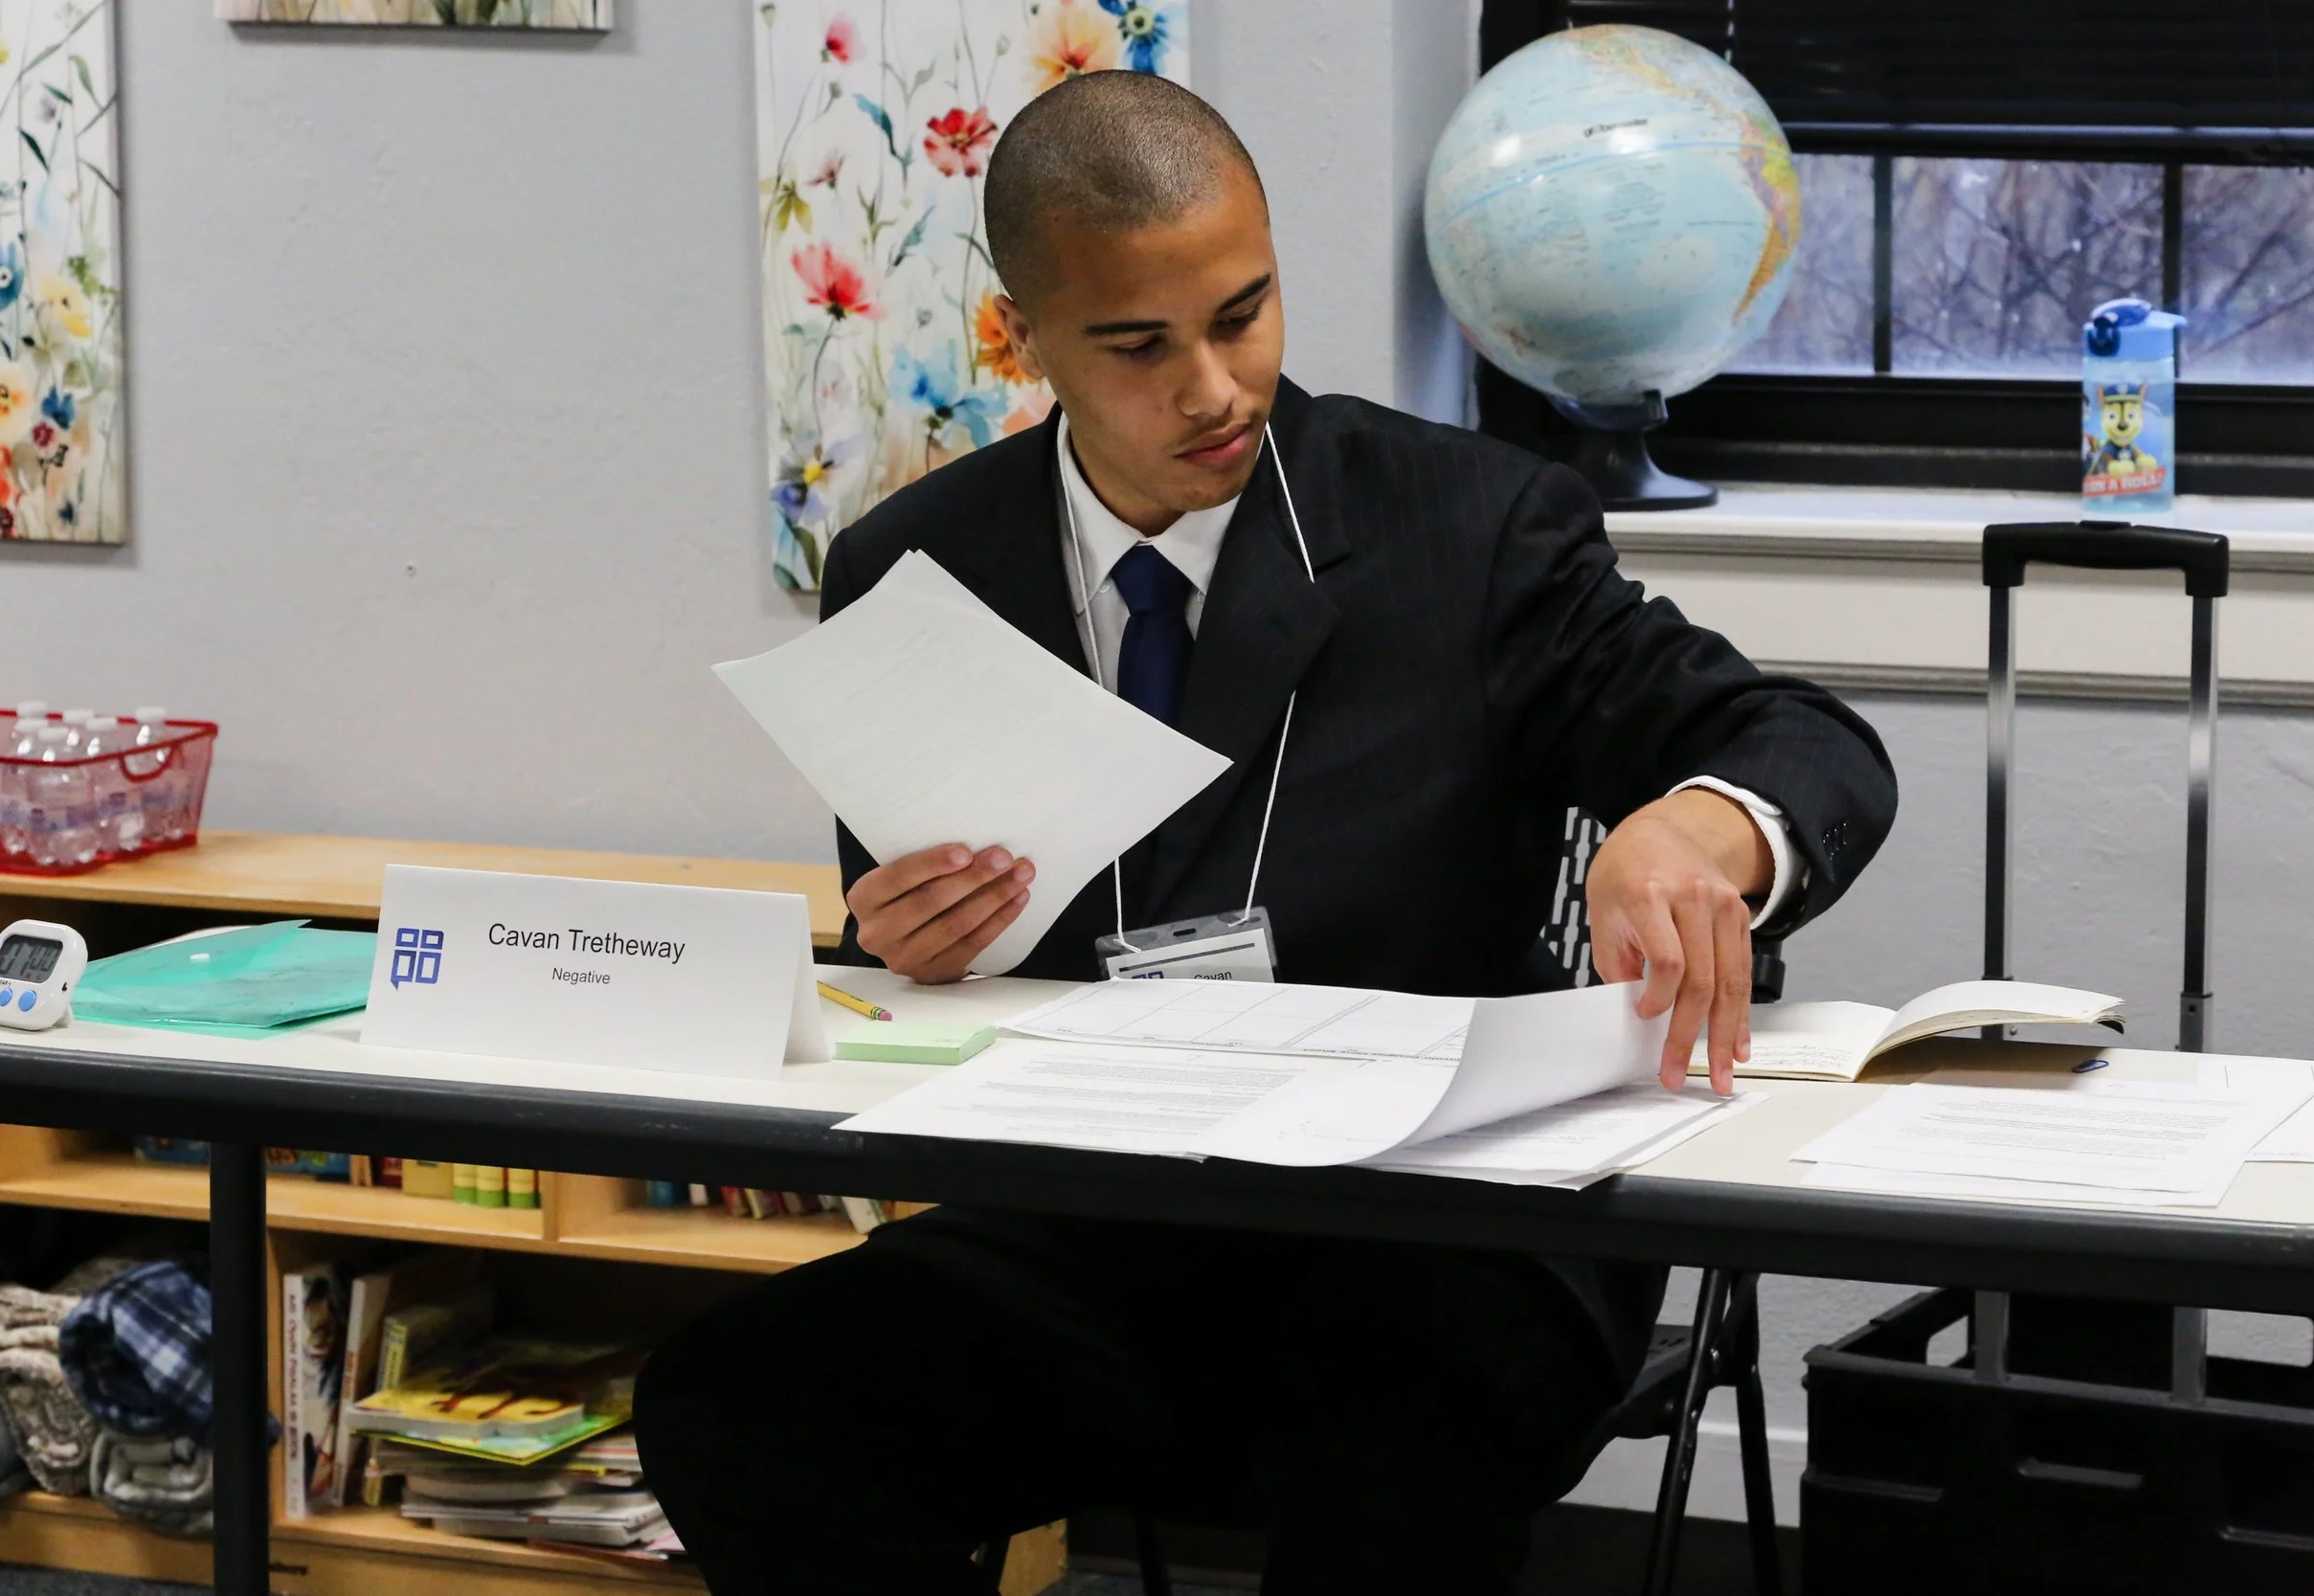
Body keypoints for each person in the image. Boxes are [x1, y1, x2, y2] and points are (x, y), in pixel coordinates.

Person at [639, 72, 1896, 1594]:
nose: (1217, 387)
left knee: (1390, 1425)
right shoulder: (918, 567)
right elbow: (905, 945)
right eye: (1140, 346)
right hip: (1106, 1222)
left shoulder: (1471, 527)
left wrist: (1700, 825)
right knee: (740, 1402)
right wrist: (906, 941)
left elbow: (1808, 745)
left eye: (1244, 314)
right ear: (1025, 337)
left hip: (1446, 1226)